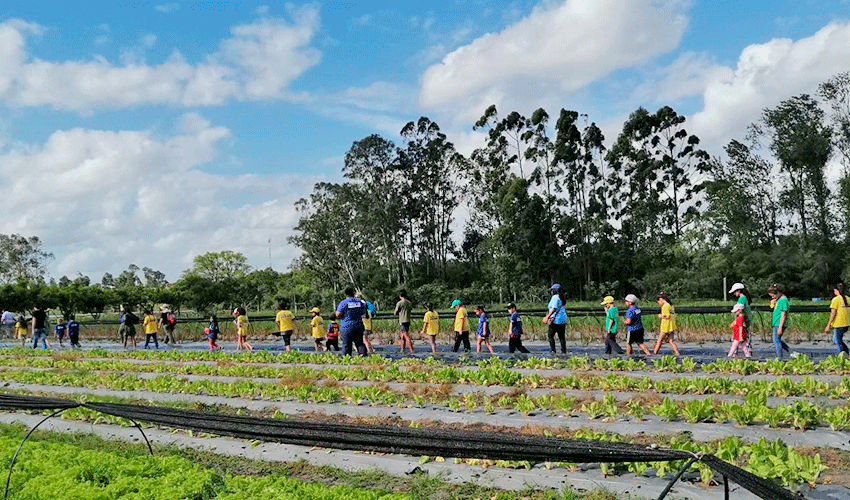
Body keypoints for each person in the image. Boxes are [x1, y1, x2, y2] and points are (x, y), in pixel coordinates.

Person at [335, 286, 368, 356]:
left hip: (347, 326)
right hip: (358, 325)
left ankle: (347, 358)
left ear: (346, 294)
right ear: (353, 293)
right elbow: (363, 311)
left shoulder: (344, 302)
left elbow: (338, 314)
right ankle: (363, 357)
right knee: (359, 343)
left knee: (347, 344)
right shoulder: (359, 302)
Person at [825, 282, 850, 355]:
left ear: (837, 290)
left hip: (839, 323)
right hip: (846, 323)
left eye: (834, 291)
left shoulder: (835, 300)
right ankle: (846, 353)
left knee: (837, 340)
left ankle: (842, 354)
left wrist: (828, 325)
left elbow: (833, 313)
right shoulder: (848, 299)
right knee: (838, 339)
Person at [652, 292, 680, 356]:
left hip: (666, 326)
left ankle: (654, 353)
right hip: (671, 326)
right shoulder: (670, 306)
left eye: (658, 301)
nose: (658, 303)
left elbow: (667, 316)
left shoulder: (665, 306)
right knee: (671, 341)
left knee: (659, 340)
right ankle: (677, 353)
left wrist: (660, 316)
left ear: (662, 299)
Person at [542, 284, 568, 354]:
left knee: (550, 335)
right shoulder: (562, 297)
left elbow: (554, 308)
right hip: (563, 319)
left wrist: (547, 316)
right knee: (561, 336)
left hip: (556, 320)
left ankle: (553, 350)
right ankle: (563, 350)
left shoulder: (555, 297)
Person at [769, 284, 792, 358]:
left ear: (779, 292)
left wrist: (780, 327)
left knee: (776, 341)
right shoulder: (779, 300)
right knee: (777, 340)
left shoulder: (782, 301)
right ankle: (791, 353)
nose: (773, 297)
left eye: (774, 295)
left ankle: (780, 357)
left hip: (779, 324)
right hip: (776, 323)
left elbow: (783, 314)